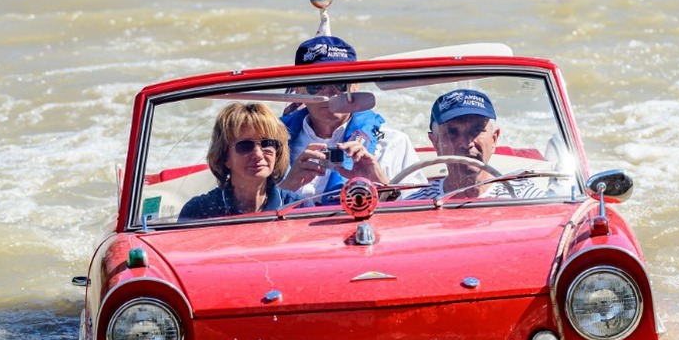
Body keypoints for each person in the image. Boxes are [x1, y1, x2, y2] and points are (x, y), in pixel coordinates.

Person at [279, 35, 426, 201]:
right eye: (316, 85)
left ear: (355, 86)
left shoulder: (393, 143)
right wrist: (288, 185)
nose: (329, 93)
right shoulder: (269, 146)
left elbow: (416, 215)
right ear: (298, 89)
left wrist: (382, 185)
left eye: (341, 83)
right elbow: (249, 209)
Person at [178, 102, 311, 221]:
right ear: (224, 157)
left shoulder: (300, 209)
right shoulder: (199, 213)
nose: (258, 154)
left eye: (267, 143)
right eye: (245, 146)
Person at [406, 89, 544, 200]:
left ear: (494, 139)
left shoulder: (522, 196)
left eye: (476, 130)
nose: (466, 144)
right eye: (452, 132)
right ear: (435, 142)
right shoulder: (417, 205)